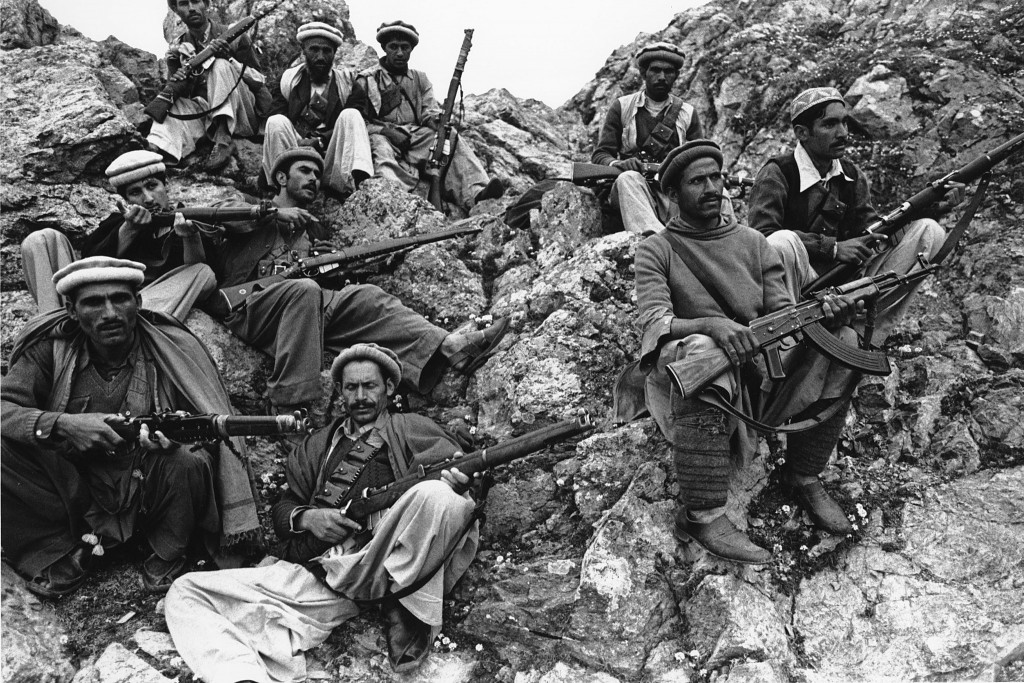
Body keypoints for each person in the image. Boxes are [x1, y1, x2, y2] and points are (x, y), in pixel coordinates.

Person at [166, 343, 479, 678]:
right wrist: (307, 518)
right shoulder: (319, 444)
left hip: (380, 561)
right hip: (319, 575)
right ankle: (242, 675)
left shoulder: (412, 428)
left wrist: (457, 485)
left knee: (440, 495)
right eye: (351, 387)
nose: (360, 396)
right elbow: (283, 508)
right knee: (185, 592)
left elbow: (458, 485)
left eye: (369, 386)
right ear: (341, 392)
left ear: (388, 388)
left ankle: (404, 606)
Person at [620, 140, 862, 565]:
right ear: (673, 195)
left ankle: (802, 474)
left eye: (717, 177)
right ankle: (704, 513)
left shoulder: (753, 242)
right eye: (699, 181)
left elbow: (783, 315)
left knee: (844, 341)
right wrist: (711, 325)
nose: (713, 188)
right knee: (700, 346)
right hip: (692, 386)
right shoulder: (656, 250)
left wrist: (826, 311)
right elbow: (656, 321)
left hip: (758, 379)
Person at [1, 257, 261, 596]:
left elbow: (211, 431)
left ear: (137, 302)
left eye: (120, 299)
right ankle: (61, 548)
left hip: (148, 487)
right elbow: (5, 407)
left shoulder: (172, 348)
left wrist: (177, 440)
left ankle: (168, 548)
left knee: (189, 460)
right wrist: (64, 424)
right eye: (93, 302)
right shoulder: (49, 349)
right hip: (74, 486)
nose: (110, 313)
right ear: (71, 311)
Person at [209, 147, 509, 414]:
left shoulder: (315, 231)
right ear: (282, 179)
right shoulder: (248, 203)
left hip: (304, 311)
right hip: (250, 308)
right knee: (305, 290)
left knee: (367, 296)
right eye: (304, 171)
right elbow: (217, 217)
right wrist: (273, 214)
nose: (314, 177)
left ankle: (447, 346)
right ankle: (287, 405)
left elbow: (321, 285)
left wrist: (326, 265)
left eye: (317, 173)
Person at [748, 86, 946, 343]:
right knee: (781, 241)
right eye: (829, 124)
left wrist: (937, 205)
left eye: (844, 122)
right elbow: (761, 237)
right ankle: (787, 338)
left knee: (930, 231)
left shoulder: (851, 175)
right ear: (802, 133)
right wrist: (832, 249)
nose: (843, 133)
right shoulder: (778, 173)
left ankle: (865, 334)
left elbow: (872, 230)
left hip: (845, 285)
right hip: (794, 285)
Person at [19, 150, 217, 321]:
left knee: (202, 272)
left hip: (139, 306)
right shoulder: (117, 223)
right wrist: (129, 229)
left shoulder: (190, 220)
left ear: (166, 185)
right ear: (126, 200)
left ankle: (132, 326)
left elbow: (204, 282)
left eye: (152, 186)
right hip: (89, 305)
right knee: (42, 239)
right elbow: (89, 264)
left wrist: (190, 238)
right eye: (135, 192)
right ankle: (58, 329)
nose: (148, 199)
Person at [347, 20, 504, 210]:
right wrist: (387, 132)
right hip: (382, 135)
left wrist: (438, 121)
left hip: (415, 137)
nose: (399, 53)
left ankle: (477, 193)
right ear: (384, 48)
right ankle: (393, 200)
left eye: (405, 47)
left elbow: (427, 113)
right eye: (393, 47)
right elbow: (355, 121)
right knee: (381, 149)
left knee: (451, 138)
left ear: (411, 49)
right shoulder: (367, 80)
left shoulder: (420, 79)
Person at [592, 42, 704, 234]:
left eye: (669, 72)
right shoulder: (622, 107)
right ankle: (656, 244)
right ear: (643, 73)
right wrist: (619, 164)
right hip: (634, 189)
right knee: (628, 179)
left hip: (672, 190)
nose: (662, 77)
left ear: (676, 76)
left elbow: (699, 161)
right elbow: (601, 155)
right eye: (655, 70)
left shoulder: (688, 113)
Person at [147, 0, 268, 171]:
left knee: (220, 65)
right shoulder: (178, 49)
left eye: (196, 1)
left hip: (241, 112)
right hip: (206, 114)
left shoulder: (235, 35)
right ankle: (154, 149)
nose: (191, 8)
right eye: (183, 4)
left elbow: (259, 81)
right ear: (175, 9)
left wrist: (229, 59)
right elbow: (175, 91)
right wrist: (183, 77)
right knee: (175, 106)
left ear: (206, 3)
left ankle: (223, 140)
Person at [261, 21, 373, 199]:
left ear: (335, 53)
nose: (320, 57)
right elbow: (276, 115)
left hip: (331, 159)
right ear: (303, 51)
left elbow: (357, 125)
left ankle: (360, 188)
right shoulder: (288, 81)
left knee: (351, 115)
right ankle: (279, 190)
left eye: (327, 51)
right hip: (296, 157)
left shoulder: (349, 84)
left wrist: (320, 141)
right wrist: (302, 141)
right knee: (276, 122)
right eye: (314, 50)